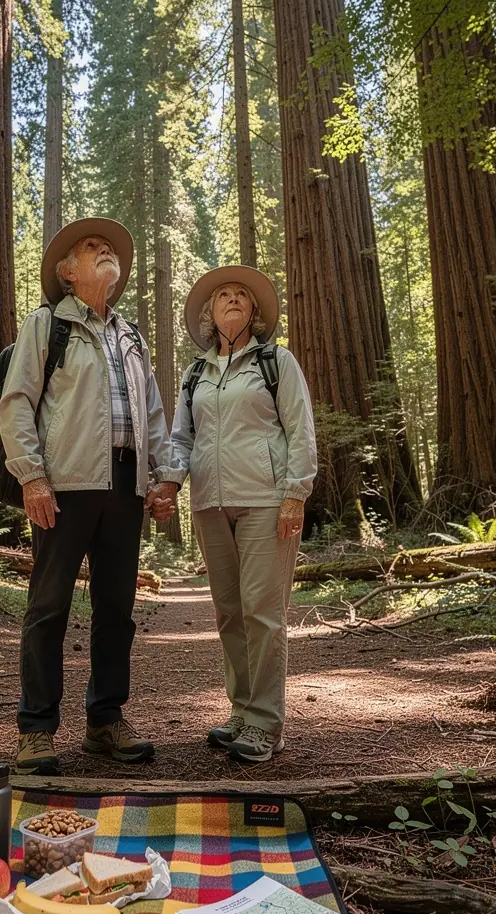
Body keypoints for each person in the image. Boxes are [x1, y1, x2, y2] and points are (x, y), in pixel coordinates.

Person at [0, 218, 182, 775]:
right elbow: (17, 404)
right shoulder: (46, 326)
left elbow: (151, 412)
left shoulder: (132, 337)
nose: (105, 253)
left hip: (125, 488)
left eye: (110, 249)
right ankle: (35, 728)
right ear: (67, 272)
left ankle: (104, 720)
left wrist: (163, 474)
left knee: (116, 611)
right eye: (92, 248)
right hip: (65, 486)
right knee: (49, 605)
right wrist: (31, 477)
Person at [157, 266, 317, 764]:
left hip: (267, 500)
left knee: (262, 613)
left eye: (240, 296)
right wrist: (168, 483)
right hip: (208, 502)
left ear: (254, 312)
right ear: (209, 314)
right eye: (222, 295)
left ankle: (267, 724)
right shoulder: (194, 374)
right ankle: (242, 713)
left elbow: (300, 427)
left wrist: (296, 492)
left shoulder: (276, 361)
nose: (230, 300)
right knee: (228, 613)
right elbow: (183, 438)